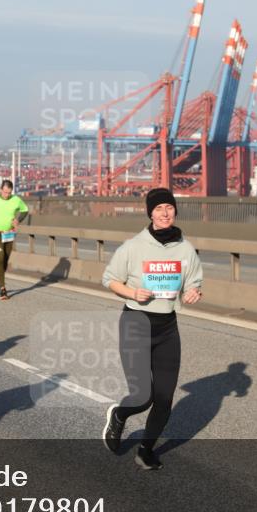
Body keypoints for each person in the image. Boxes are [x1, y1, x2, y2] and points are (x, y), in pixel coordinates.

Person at [100, 188, 203, 471]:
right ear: (150, 213)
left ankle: (145, 450)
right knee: (142, 396)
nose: (165, 213)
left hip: (167, 327)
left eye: (169, 207)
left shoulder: (185, 248)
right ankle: (119, 414)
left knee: (164, 399)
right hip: (136, 323)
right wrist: (132, 292)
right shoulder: (133, 246)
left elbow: (194, 282)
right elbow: (109, 279)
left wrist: (194, 292)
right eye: (159, 209)